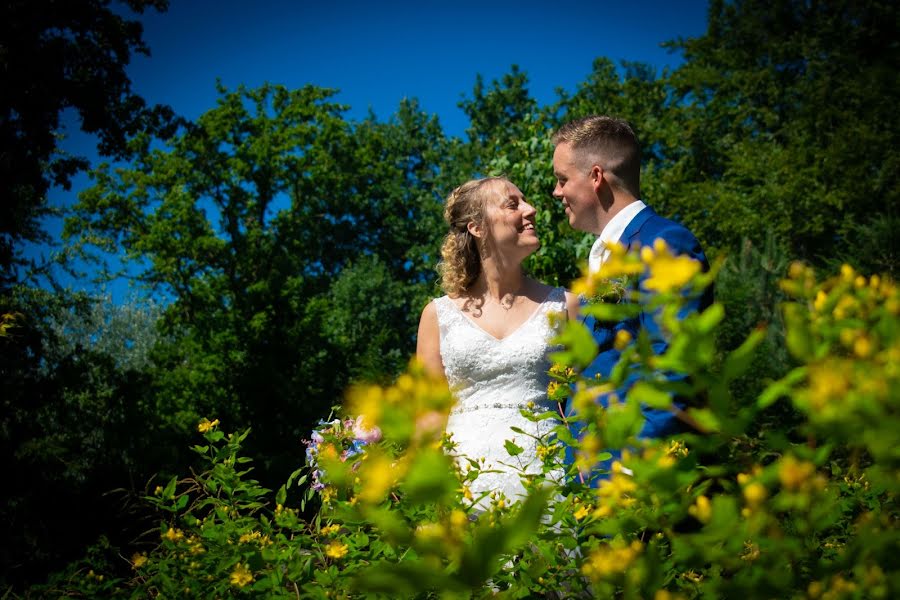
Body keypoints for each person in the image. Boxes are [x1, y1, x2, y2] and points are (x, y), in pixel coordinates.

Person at [551, 115, 712, 477]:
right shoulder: (604, 255)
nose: (556, 192)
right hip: (591, 484)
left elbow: (674, 365)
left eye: (562, 180)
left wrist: (632, 469)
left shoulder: (663, 244)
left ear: (595, 177)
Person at [416, 176, 579, 506]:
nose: (531, 210)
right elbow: (429, 418)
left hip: (547, 487)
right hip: (463, 491)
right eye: (513, 204)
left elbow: (586, 406)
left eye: (526, 201)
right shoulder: (437, 316)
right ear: (477, 228)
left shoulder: (567, 307)